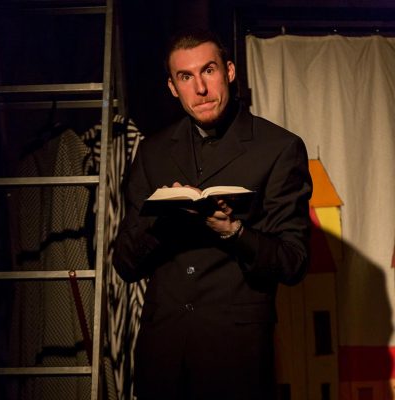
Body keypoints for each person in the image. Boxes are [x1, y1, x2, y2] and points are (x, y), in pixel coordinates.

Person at [113, 29, 312, 400]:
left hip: (235, 354)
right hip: (164, 354)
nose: (200, 88)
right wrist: (163, 221)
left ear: (229, 72)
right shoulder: (153, 152)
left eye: (208, 70)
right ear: (173, 87)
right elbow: (125, 264)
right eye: (185, 77)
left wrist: (233, 231)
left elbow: (293, 262)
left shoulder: (278, 148)